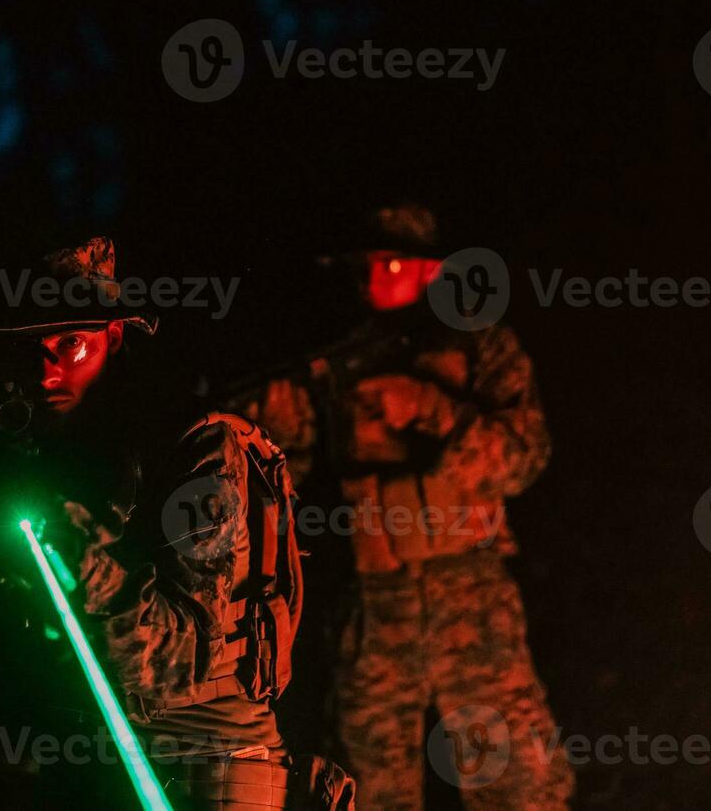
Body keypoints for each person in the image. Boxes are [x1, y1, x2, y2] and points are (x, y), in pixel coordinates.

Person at [0, 236, 356, 810]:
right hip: (68, 767)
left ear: (113, 337)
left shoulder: (195, 450)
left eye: (70, 341)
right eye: (29, 344)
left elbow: (183, 662)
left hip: (201, 769)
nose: (48, 366)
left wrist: (75, 558)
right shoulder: (15, 449)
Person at [243, 205, 573, 811]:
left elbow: (524, 457)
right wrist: (276, 432)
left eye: (391, 264)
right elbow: (301, 475)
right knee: (365, 786)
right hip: (372, 599)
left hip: (469, 591)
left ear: (427, 272)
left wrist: (433, 408)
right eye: (364, 266)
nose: (374, 279)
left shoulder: (480, 348)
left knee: (519, 781)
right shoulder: (335, 361)